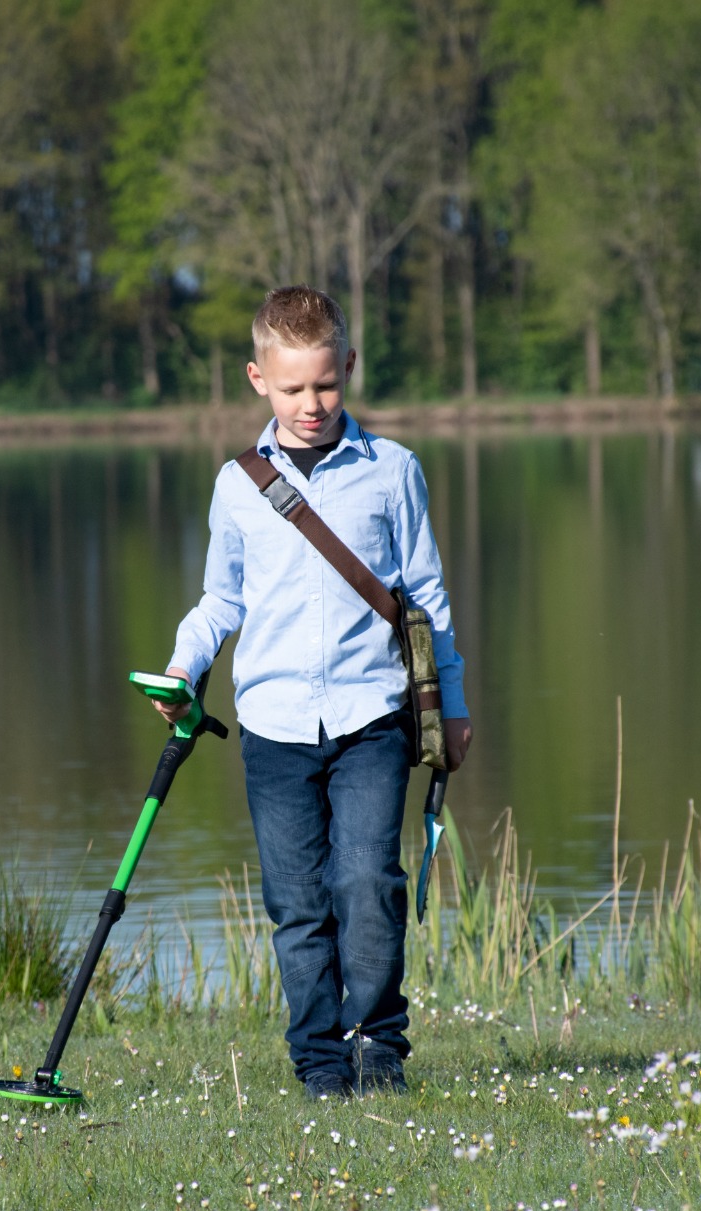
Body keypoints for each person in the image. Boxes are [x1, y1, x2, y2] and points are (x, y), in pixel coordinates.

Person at [152, 285, 470, 1099]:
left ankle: (379, 1047)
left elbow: (425, 600)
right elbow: (222, 599)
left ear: (349, 369)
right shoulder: (237, 486)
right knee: (297, 903)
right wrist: (185, 667)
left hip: (373, 717)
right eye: (292, 388)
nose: (311, 404)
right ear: (258, 378)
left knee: (367, 881)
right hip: (274, 725)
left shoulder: (394, 472)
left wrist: (454, 705)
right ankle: (320, 1062)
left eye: (325, 385)